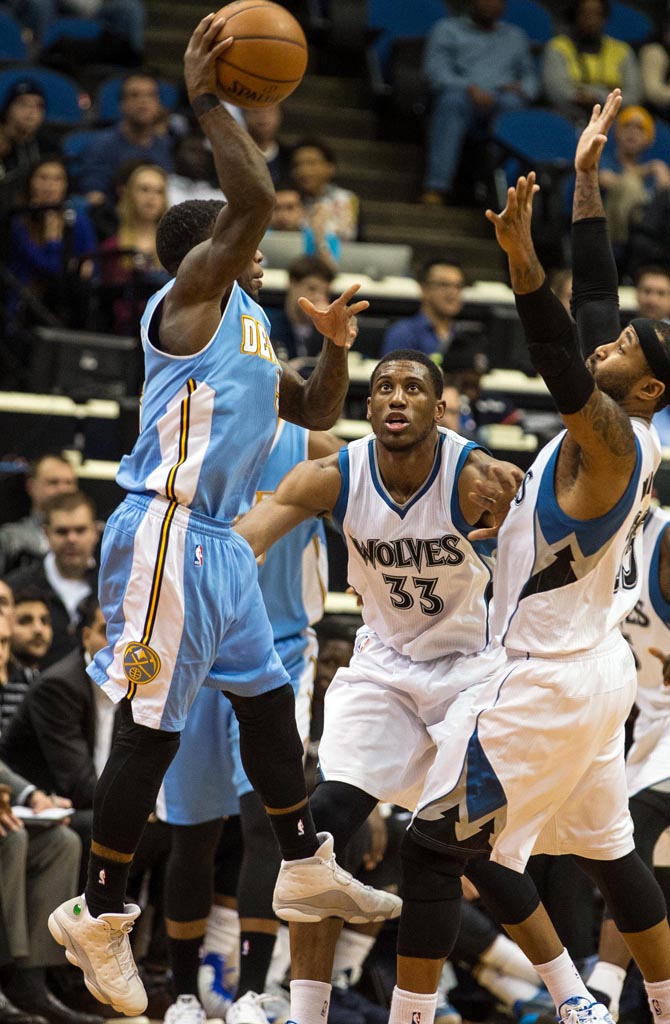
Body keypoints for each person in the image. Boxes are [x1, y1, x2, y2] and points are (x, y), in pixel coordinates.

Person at [46, 14, 393, 1020]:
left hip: (216, 552)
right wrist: (209, 99)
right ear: (211, 248)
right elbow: (255, 194)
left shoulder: (248, 324)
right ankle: (98, 913)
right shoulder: (193, 295)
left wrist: (331, 344)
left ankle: (301, 861)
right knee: (150, 736)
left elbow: (321, 410)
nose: (257, 240)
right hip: (162, 530)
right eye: (242, 234)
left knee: (269, 703)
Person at [382, 92, 670, 1024]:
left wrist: (518, 266)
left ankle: (411, 1018)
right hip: (595, 672)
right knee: (611, 855)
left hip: (544, 677)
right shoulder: (624, 428)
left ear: (649, 386)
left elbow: (556, 344)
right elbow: (592, 301)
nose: (612, 338)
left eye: (626, 346)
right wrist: (586, 181)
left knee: (431, 852)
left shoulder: (614, 438)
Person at [233, 345, 535, 1024]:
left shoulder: (473, 475)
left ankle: (466, 1006)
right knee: (323, 836)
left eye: (412, 389)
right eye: (384, 389)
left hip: (471, 672)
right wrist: (199, 565)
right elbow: (253, 530)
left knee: (445, 848)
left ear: (437, 405)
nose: (396, 398)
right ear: (368, 409)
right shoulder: (335, 476)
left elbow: (543, 535)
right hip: (386, 665)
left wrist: (517, 502)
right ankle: (306, 1012)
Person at [160, 421, 340, 1024]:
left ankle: (254, 993)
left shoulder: (308, 445)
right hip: (193, 643)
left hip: (279, 647)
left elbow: (376, 465)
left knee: (267, 820)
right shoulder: (191, 432)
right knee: (194, 832)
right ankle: (183, 994)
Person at [583, 504, 670, 1019]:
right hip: (638, 726)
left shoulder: (662, 540)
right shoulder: (588, 532)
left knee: (628, 837)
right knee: (651, 878)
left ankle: (601, 993)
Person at [421, 0, 539, 206]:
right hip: (463, 94)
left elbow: (531, 78)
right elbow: (435, 71)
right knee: (451, 102)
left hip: (501, 98)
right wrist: (468, 86)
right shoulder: (447, 29)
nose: (491, 5)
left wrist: (522, 88)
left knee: (514, 106)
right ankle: (437, 186)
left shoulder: (515, 36)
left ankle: (505, 193)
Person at [5, 491, 99, 669]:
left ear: (96, 531)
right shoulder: (15, 587)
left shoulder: (114, 589)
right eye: (62, 532)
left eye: (80, 530)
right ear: (46, 533)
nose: (72, 539)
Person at [5, 158, 97, 336]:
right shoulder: (18, 221)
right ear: (30, 182)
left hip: (70, 304)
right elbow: (48, 268)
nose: (50, 185)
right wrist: (52, 239)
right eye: (43, 178)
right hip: (29, 305)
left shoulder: (77, 220)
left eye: (57, 179)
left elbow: (91, 268)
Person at [76, 74, 174, 205]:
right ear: (122, 104)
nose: (143, 101)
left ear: (159, 105)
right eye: (134, 95)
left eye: (150, 95)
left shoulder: (168, 146)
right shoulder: (101, 146)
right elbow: (94, 197)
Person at [97, 162, 170, 335]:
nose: (151, 197)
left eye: (158, 191)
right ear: (129, 194)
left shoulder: (173, 248)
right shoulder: (111, 247)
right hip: (120, 335)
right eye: (144, 189)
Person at [542, 0, 641, 120]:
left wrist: (599, 97)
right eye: (584, 13)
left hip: (612, 112)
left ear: (605, 18)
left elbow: (633, 95)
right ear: (574, 16)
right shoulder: (558, 47)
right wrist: (577, 96)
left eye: (597, 14)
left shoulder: (621, 50)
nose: (590, 19)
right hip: (570, 111)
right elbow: (555, 90)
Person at [381, 258, 488, 366]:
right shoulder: (403, 333)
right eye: (444, 285)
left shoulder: (467, 336)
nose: (452, 292)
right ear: (424, 289)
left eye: (458, 286)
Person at [598, 105, 670, 250]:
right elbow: (607, 180)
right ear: (617, 132)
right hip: (613, 240)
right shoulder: (604, 160)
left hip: (650, 239)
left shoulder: (654, 172)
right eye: (627, 126)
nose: (632, 132)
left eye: (640, 128)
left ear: (649, 138)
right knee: (630, 185)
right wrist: (650, 168)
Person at [0, 454, 76, 578]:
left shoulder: (94, 538)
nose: (63, 490)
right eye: (53, 482)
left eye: (69, 483)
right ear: (31, 486)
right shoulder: (10, 539)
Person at [1, 588, 53, 734]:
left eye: (44, 621)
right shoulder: (4, 678)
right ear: (8, 625)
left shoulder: (55, 680)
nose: (38, 629)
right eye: (25, 621)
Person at [267, 255, 335, 363]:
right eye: (312, 289)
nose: (319, 298)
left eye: (325, 293)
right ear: (292, 284)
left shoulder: (327, 333)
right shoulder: (267, 326)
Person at [290, 139, 359, 242]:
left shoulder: (347, 199)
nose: (303, 170)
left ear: (330, 168)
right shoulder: (286, 200)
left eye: (311, 163)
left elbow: (353, 238)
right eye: (297, 164)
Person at [243, 104, 291, 187]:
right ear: (244, 116)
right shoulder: (228, 156)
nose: (263, 117)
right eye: (255, 112)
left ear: (280, 116)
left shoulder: (290, 156)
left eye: (269, 111)